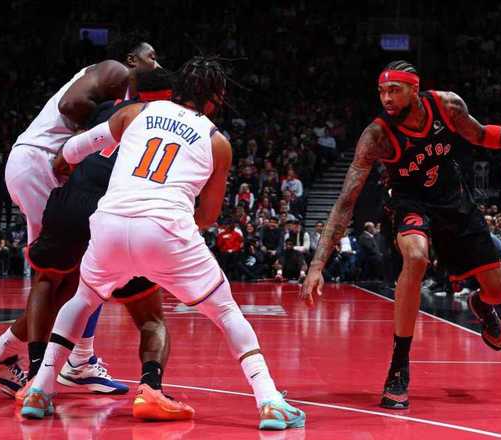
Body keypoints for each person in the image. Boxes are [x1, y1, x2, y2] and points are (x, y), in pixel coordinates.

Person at [20, 56, 305, 431]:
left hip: (110, 222)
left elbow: (75, 149)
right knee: (226, 312)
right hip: (166, 228)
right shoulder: (217, 142)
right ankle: (268, 400)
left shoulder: (135, 112)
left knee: (83, 300)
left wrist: (63, 165)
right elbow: (208, 216)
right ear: (216, 98)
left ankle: (40, 389)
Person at [301, 60, 501, 410]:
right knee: (415, 256)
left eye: (394, 90)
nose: (386, 98)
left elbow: (481, 134)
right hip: (409, 201)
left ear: (414, 89)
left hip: (454, 201)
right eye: (381, 91)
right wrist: (317, 265)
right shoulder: (377, 136)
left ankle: (482, 304)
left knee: (500, 292)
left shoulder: (447, 105)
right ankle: (399, 366)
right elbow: (346, 202)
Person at [0, 33, 159, 397]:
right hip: (42, 162)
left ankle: (64, 359)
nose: (157, 63)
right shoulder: (115, 72)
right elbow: (71, 104)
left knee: (81, 271)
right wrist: (96, 133)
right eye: (152, 56)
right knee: (56, 275)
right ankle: (19, 360)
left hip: (47, 167)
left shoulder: (125, 99)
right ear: (132, 60)